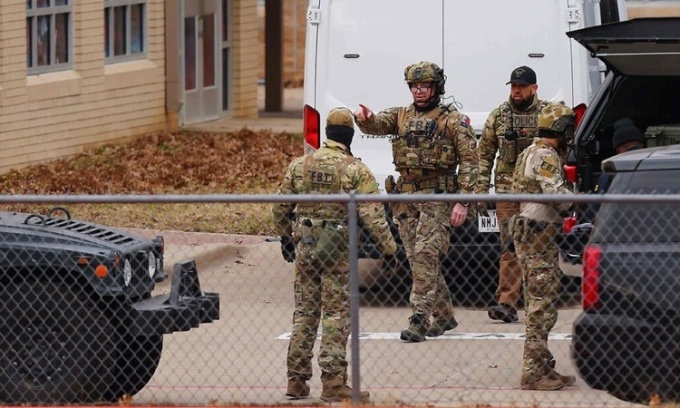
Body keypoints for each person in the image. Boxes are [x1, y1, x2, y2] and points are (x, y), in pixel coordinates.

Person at [272, 107, 398, 402]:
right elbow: (373, 216)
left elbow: (280, 206)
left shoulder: (300, 165)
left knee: (305, 313)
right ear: (350, 136)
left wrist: (285, 237)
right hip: (337, 252)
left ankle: (296, 380)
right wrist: (389, 249)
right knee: (336, 315)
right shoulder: (355, 170)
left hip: (306, 247)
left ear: (327, 133)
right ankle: (333, 382)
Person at [353, 61, 477, 343]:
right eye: (414, 86)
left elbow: (471, 162)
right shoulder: (401, 115)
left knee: (424, 256)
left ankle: (419, 320)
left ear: (436, 87)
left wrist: (464, 201)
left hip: (437, 198)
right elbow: (377, 124)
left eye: (424, 86)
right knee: (418, 260)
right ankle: (444, 316)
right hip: (407, 200)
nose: (419, 91)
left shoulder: (453, 120)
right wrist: (366, 119)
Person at [476, 66, 563, 323]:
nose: (516, 91)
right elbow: (485, 155)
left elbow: (562, 148)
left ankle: (540, 300)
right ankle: (507, 302)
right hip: (507, 191)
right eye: (513, 86)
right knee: (510, 246)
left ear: (534, 88)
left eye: (521, 87)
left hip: (537, 193)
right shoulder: (499, 116)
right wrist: (481, 191)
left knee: (538, 247)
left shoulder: (548, 114)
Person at [511, 104, 578, 391]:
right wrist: (579, 201)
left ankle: (542, 365)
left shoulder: (530, 150)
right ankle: (532, 373)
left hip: (535, 233)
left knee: (542, 301)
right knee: (540, 306)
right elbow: (555, 194)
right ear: (560, 128)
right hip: (538, 234)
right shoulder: (545, 155)